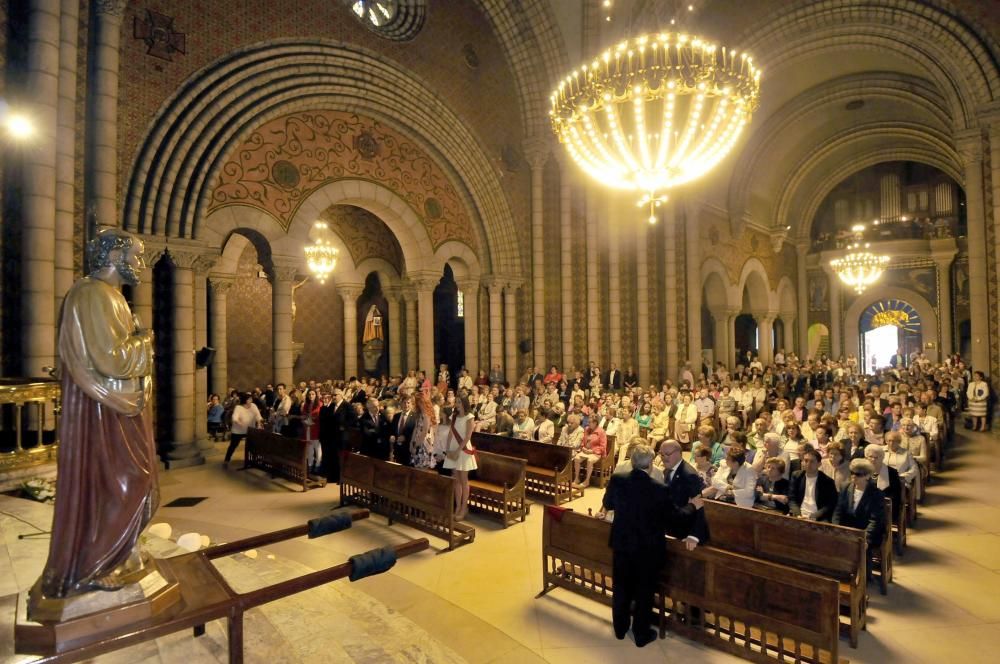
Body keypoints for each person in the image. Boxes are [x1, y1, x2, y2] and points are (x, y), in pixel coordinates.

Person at [31, 229, 158, 610]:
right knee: (122, 480)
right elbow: (110, 359)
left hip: (119, 405)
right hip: (105, 410)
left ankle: (117, 553)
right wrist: (146, 341)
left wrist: (138, 340)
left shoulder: (112, 297)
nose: (139, 264)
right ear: (115, 256)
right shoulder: (91, 295)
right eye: (134, 255)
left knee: (134, 480)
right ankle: (95, 564)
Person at [596, 445, 704, 647]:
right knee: (644, 592)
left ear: (633, 461)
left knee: (621, 588)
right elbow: (674, 518)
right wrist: (692, 506)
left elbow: (608, 504)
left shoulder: (618, 480)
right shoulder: (658, 489)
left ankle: (620, 629)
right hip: (647, 549)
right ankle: (641, 634)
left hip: (622, 543)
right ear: (651, 463)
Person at [833, 458, 887, 580]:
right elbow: (838, 511)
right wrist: (835, 528)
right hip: (848, 527)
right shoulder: (845, 487)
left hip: (867, 531)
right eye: (852, 473)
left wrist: (865, 538)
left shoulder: (876, 494)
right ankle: (842, 575)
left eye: (858, 474)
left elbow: (875, 521)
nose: (854, 477)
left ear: (868, 476)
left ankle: (863, 579)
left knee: (860, 546)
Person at [443, 394, 478, 519]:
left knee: (464, 481)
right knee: (456, 479)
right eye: (456, 402)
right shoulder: (454, 416)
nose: (457, 404)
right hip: (453, 448)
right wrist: (447, 449)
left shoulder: (470, 417)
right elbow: (450, 433)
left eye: (459, 402)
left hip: (463, 449)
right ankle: (457, 507)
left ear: (464, 403)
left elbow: (468, 436)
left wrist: (458, 450)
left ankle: (464, 508)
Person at [788, 447, 838, 521]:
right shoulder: (796, 476)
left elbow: (830, 504)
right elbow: (792, 498)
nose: (808, 464)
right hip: (798, 514)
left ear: (819, 464)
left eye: (812, 461)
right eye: (806, 461)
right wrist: (798, 514)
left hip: (817, 516)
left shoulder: (828, 481)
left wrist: (814, 516)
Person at [573, 417, 607, 488]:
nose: (588, 424)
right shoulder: (587, 429)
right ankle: (577, 478)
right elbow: (583, 441)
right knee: (576, 458)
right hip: (586, 451)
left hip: (596, 453)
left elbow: (603, 446)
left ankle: (587, 481)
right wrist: (583, 447)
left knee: (590, 460)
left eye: (590, 422)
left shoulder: (601, 432)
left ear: (595, 423)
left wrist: (592, 451)